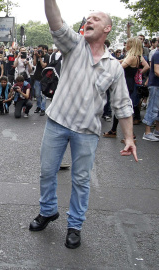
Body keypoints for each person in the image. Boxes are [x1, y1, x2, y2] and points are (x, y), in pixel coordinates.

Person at [30, 0, 137, 250]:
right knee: (47, 172)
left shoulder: (113, 67)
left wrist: (130, 138)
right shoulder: (74, 46)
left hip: (87, 132)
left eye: (96, 19)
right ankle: (48, 211)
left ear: (108, 28)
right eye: (87, 19)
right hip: (57, 123)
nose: (89, 21)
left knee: (81, 181)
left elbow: (122, 104)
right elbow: (55, 23)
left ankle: (75, 226)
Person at [103, 37, 149, 139]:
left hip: (126, 83)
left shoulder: (132, 57)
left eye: (127, 44)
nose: (125, 45)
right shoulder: (138, 56)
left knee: (123, 107)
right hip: (131, 82)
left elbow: (120, 66)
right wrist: (138, 73)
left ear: (131, 45)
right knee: (123, 106)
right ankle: (115, 130)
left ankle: (127, 134)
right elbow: (146, 66)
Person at [142, 49, 159, 141]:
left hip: (156, 85)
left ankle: (157, 130)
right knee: (153, 108)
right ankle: (147, 132)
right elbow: (157, 71)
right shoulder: (157, 54)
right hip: (156, 85)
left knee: (157, 109)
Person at [32, 45, 50, 116]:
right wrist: (35, 55)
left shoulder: (47, 57)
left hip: (44, 78)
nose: (39, 51)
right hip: (37, 77)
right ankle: (38, 106)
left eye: (40, 50)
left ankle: (43, 108)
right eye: (38, 50)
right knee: (37, 94)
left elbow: (43, 65)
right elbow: (34, 64)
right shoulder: (36, 55)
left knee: (43, 95)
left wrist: (40, 57)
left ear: (44, 50)